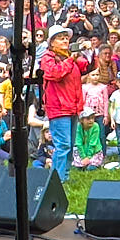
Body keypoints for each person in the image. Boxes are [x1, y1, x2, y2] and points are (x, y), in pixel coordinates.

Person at [37, 27, 89, 182]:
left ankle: (64, 176)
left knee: (69, 145)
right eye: (61, 38)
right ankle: (57, 179)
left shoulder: (68, 56)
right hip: (58, 108)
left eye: (66, 37)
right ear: (52, 42)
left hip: (72, 107)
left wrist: (83, 52)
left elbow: (85, 66)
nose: (65, 40)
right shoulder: (48, 57)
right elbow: (55, 74)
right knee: (63, 145)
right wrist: (71, 59)